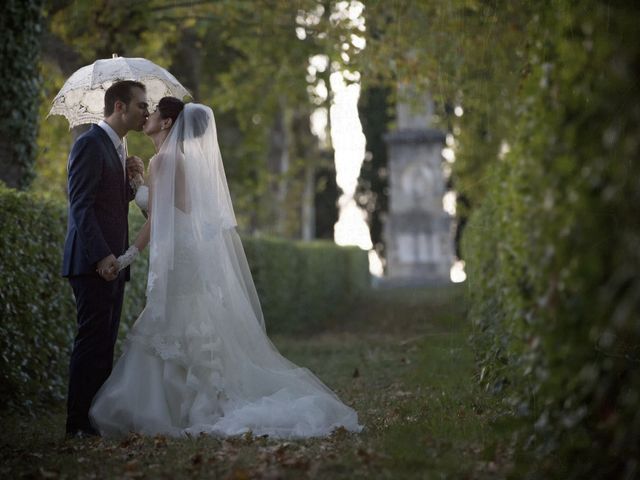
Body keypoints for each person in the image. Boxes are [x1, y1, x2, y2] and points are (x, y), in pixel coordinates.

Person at [89, 98, 362, 438]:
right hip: (185, 251)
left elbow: (159, 219)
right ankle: (198, 394)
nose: (147, 116)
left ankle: (174, 406)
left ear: (168, 122)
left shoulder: (164, 161)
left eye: (154, 111)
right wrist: (137, 183)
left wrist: (127, 255)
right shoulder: (176, 161)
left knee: (172, 318)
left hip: (178, 255)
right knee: (187, 317)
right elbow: (167, 217)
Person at [62, 80, 148, 438]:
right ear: (119, 107)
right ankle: (77, 424)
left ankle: (95, 420)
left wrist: (131, 183)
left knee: (105, 343)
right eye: (141, 105)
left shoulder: (119, 147)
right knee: (91, 342)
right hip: (91, 263)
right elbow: (80, 207)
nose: (146, 111)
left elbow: (108, 205)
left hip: (114, 264)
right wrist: (101, 256)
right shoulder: (89, 144)